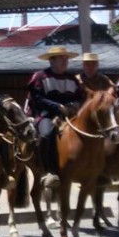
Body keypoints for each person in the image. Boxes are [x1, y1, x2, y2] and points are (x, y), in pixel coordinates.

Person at [27, 45, 83, 189]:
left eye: (66, 58)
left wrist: (73, 106)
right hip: (45, 114)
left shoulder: (73, 79)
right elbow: (36, 99)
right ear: (51, 61)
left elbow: (79, 98)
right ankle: (49, 171)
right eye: (61, 58)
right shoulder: (40, 77)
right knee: (46, 134)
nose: (65, 61)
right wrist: (57, 107)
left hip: (69, 115)